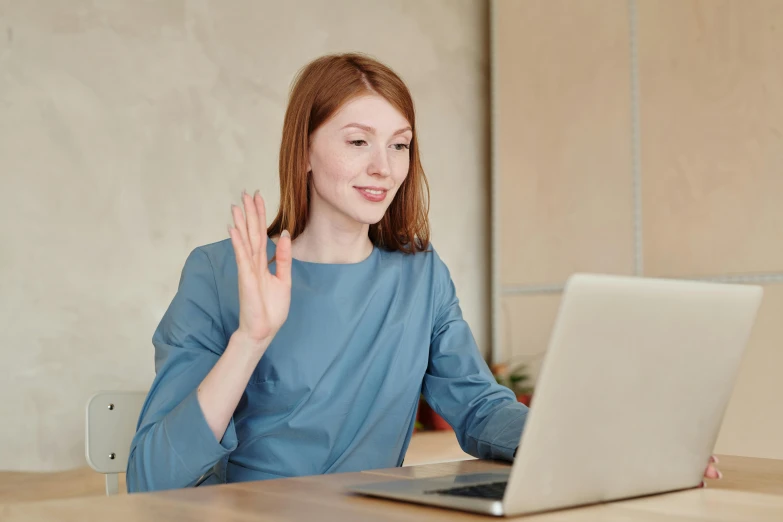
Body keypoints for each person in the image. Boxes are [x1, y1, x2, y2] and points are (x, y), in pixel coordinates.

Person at [126, 53, 721, 493]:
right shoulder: (216, 273)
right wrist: (250, 339)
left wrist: (605, 447)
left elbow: (480, 408)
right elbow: (151, 476)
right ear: (303, 151)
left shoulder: (421, 276)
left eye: (401, 145)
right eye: (358, 141)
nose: (383, 168)